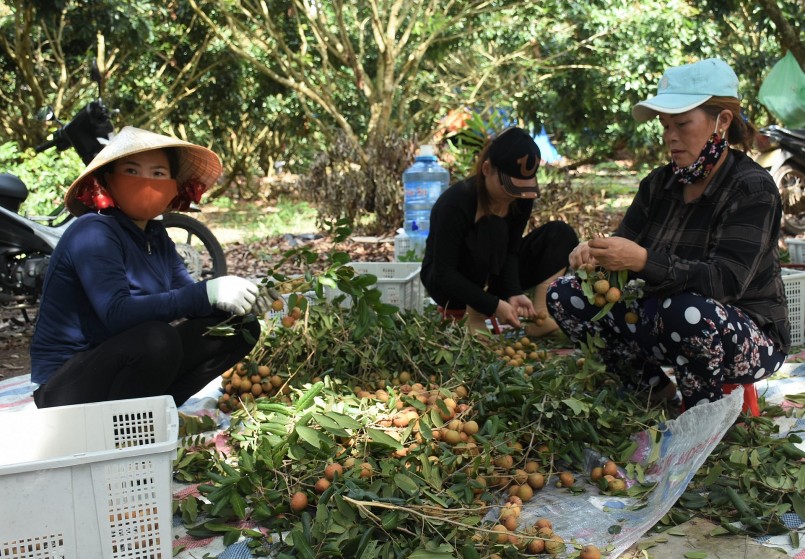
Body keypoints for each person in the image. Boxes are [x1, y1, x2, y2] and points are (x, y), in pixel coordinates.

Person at [547, 58, 790, 409]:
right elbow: (620, 254)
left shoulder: (752, 188)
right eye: (665, 126)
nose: (670, 137)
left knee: (686, 310)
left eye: (682, 124)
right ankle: (651, 391)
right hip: (665, 320)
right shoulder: (658, 184)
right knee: (565, 295)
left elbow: (725, 282)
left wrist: (644, 260)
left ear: (721, 121)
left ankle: (702, 417)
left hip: (747, 337)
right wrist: (593, 258)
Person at [30, 126, 271, 408]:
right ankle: (124, 428)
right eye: (132, 171)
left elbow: (190, 299)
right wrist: (206, 292)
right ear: (108, 180)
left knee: (237, 328)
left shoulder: (156, 237)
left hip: (124, 370)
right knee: (158, 338)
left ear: (173, 186)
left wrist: (241, 298)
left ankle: (160, 409)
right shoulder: (93, 231)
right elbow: (116, 313)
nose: (146, 182)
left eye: (158, 174)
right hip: (66, 387)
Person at [421, 126, 579, 336]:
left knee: (560, 234)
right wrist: (492, 305)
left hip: (492, 275)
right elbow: (444, 272)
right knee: (491, 228)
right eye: (509, 187)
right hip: (448, 283)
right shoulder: (456, 204)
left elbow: (511, 251)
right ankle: (474, 318)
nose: (514, 195)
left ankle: (540, 315)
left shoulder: (520, 198)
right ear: (487, 169)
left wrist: (514, 292)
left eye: (521, 188)